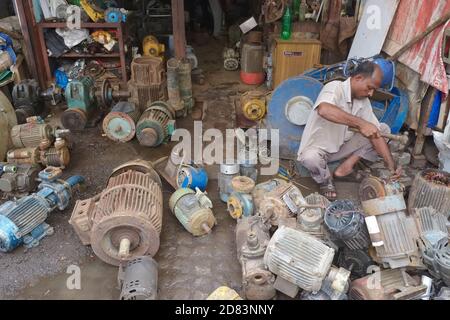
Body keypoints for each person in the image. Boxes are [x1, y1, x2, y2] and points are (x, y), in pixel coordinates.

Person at [297, 61, 400, 200]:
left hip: (341, 147)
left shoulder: (362, 101)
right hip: (320, 150)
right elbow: (324, 110)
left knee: (381, 129)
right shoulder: (334, 88)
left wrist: (391, 165)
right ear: (358, 78)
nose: (370, 93)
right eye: (369, 87)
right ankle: (325, 181)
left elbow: (375, 134)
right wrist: (361, 123)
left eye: (373, 90)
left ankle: (346, 167)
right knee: (310, 158)